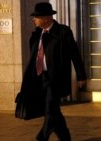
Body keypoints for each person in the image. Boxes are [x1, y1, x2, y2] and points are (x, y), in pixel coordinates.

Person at [20, 2, 86, 141]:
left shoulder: (63, 31)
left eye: (36, 17)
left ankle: (42, 137)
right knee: (53, 110)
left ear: (46, 18)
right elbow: (33, 56)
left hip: (55, 78)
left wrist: (81, 76)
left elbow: (74, 54)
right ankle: (65, 137)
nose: (34, 19)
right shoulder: (36, 33)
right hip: (39, 77)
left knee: (50, 107)